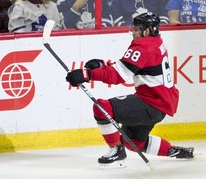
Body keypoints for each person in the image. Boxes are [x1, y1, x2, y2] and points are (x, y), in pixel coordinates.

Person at [65, 12, 194, 169]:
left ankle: (116, 152)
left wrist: (86, 74)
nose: (133, 32)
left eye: (136, 29)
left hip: (151, 103)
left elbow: (118, 76)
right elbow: (130, 66)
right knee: (134, 143)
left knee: (102, 108)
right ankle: (174, 151)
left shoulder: (143, 45)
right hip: (159, 103)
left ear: (146, 31)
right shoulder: (155, 42)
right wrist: (102, 66)